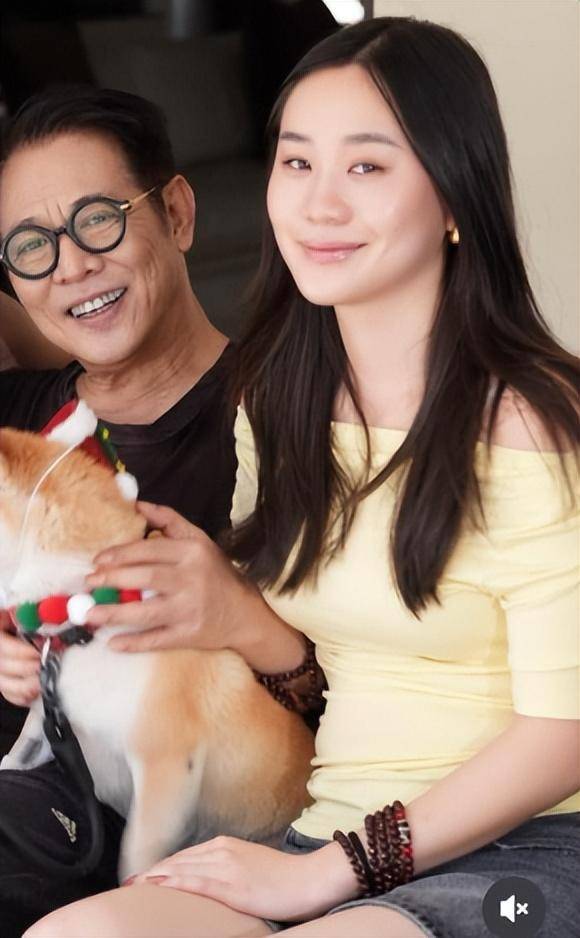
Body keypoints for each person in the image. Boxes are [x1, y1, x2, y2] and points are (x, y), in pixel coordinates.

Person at [23, 16, 580, 938]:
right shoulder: (280, 400)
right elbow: (309, 665)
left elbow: (564, 737)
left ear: (454, 195)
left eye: (366, 166)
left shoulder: (533, 422)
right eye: (296, 161)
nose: (319, 204)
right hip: (328, 832)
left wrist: (333, 872)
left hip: (528, 849)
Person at [0, 85, 237, 935]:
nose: (70, 267)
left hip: (131, 846)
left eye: (98, 220)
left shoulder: (288, 417)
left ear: (177, 213)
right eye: (31, 247)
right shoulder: (16, 423)